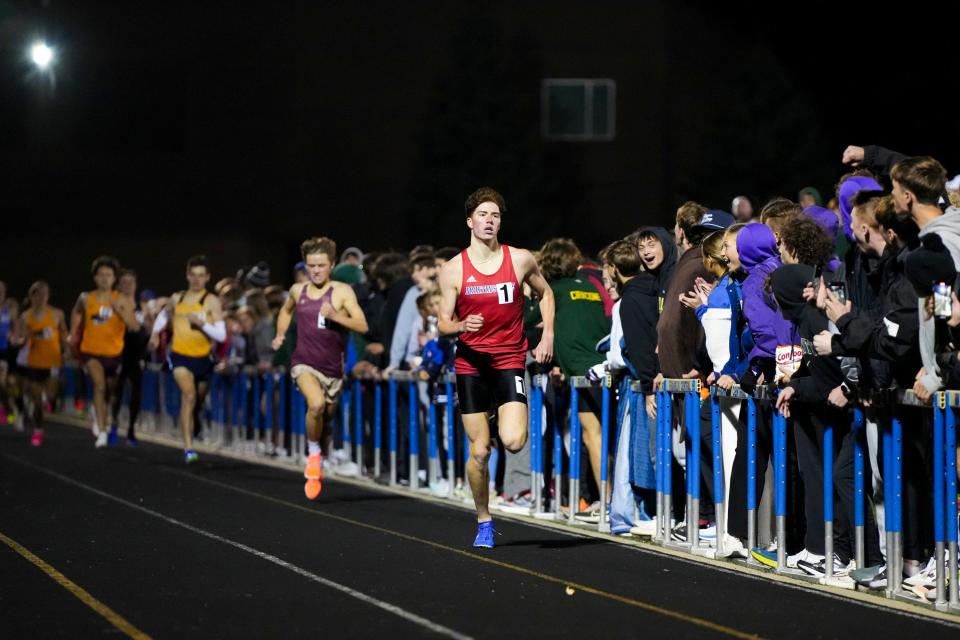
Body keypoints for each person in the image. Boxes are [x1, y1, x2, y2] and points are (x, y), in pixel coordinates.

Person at [437, 187, 554, 548]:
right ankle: (484, 519)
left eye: (495, 216)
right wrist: (460, 326)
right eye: (483, 215)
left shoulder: (519, 259)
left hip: (508, 359)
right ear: (469, 221)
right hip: (471, 363)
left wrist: (547, 334)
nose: (489, 221)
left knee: (515, 441)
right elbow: (442, 322)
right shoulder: (453, 268)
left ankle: (496, 416)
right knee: (480, 451)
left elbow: (546, 293)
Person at [273, 237, 369, 499]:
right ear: (306, 265)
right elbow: (285, 311)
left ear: (332, 265)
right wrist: (281, 334)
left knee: (326, 419)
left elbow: (362, 326)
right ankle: (313, 452)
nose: (316, 270)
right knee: (314, 404)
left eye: (321, 265)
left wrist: (336, 315)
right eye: (312, 265)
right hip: (303, 362)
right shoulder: (297, 290)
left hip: (332, 369)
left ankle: (319, 456)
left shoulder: (342, 292)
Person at [149, 255, 225, 463]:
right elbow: (164, 316)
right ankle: (188, 448)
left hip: (203, 358)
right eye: (193, 275)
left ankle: (194, 422)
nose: (197, 279)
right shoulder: (177, 298)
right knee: (189, 396)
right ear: (187, 275)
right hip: (180, 355)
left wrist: (201, 325)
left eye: (201, 275)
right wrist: (155, 334)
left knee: (197, 401)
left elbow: (221, 334)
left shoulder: (211, 301)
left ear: (207, 277)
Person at [70, 256, 140, 448]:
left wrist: (121, 312)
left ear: (114, 278)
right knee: (99, 386)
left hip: (114, 354)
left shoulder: (122, 299)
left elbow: (134, 326)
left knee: (109, 391)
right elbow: (76, 311)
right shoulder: (86, 298)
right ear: (95, 277)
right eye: (100, 274)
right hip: (90, 352)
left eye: (108, 275)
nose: (104, 278)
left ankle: (98, 410)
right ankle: (102, 431)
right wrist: (72, 332)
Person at [14, 281, 67, 446]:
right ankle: (38, 430)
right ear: (32, 296)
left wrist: (68, 350)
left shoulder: (57, 314)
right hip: (34, 363)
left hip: (52, 363)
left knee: (50, 396)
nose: (42, 297)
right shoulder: (25, 317)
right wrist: (21, 340)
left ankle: (47, 401)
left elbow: (64, 335)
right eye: (38, 294)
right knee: (37, 401)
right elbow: (20, 339)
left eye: (45, 294)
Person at [112, 269, 149, 445]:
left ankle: (131, 429)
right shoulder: (114, 304)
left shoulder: (143, 307)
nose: (127, 286)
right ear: (119, 285)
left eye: (130, 282)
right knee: (116, 390)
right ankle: (113, 423)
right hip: (119, 353)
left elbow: (148, 330)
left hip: (137, 354)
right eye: (124, 283)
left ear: (135, 285)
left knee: (136, 392)